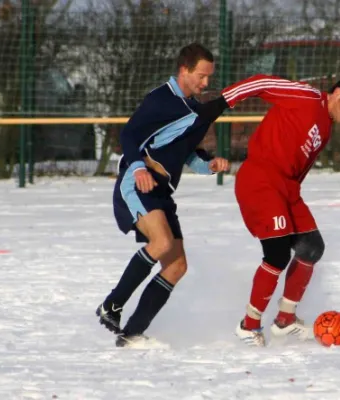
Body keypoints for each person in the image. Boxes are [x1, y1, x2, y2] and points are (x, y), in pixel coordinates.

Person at [96, 42, 232, 347]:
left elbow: (188, 155)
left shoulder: (192, 109)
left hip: (161, 194)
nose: (206, 83)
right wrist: (138, 169)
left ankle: (132, 332)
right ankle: (112, 306)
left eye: (209, 77)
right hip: (137, 185)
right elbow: (129, 135)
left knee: (177, 266)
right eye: (201, 75)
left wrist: (210, 165)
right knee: (162, 243)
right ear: (184, 70)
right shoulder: (161, 99)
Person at [220, 72, 340, 347]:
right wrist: (223, 100)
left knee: (312, 247)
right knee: (276, 254)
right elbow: (263, 83)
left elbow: (300, 169)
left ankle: (285, 320)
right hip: (261, 180)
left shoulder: (325, 128)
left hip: (288, 189)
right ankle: (248, 326)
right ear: (337, 93)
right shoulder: (306, 97)